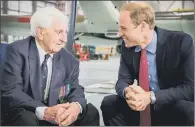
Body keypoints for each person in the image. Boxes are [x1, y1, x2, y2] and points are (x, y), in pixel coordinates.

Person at [1, 7, 99, 126]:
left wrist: (75, 106)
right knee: (26, 118)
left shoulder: (69, 60)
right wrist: (44, 111)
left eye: (66, 32)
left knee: (90, 112)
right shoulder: (17, 51)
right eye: (59, 32)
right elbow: (11, 91)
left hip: (56, 113)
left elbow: (74, 88)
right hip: (28, 111)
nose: (64, 39)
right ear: (40, 33)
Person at [101, 2, 194, 126]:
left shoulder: (181, 42)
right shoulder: (127, 47)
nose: (119, 33)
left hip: (170, 106)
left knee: (187, 109)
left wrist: (150, 96)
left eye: (124, 28)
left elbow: (190, 88)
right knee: (109, 103)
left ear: (143, 27)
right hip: (140, 107)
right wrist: (128, 92)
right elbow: (122, 80)